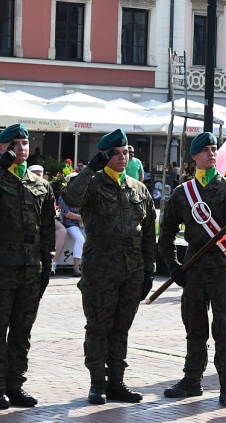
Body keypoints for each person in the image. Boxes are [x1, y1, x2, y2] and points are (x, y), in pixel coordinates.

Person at [159, 132, 226, 407]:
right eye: (205, 150)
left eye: (214, 149)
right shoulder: (182, 193)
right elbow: (166, 231)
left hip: (223, 268)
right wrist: (172, 265)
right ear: (194, 157)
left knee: (225, 329)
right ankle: (192, 380)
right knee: (195, 327)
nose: (211, 153)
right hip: (193, 268)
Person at [63, 129, 156, 405]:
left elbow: (149, 231)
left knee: (121, 328)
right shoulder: (92, 184)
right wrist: (91, 168)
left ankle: (117, 381)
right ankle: (97, 383)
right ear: (105, 155)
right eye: (115, 153)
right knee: (98, 326)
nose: (122, 157)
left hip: (132, 269)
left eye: (126, 152)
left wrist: (149, 269)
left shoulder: (139, 188)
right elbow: (70, 198)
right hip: (100, 268)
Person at [0, 124, 56, 409]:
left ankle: (15, 384)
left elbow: (47, 228)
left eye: (25, 143)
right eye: (16, 143)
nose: (22, 148)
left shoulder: (40, 184)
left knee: (22, 329)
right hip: (2, 264)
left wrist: (46, 263)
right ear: (3, 148)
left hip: (31, 265)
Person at [58, 192, 84, 276]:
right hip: (70, 224)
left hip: (84, 224)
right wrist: (84, 217)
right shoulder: (64, 196)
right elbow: (67, 214)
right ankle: (76, 267)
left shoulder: (83, 194)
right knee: (80, 239)